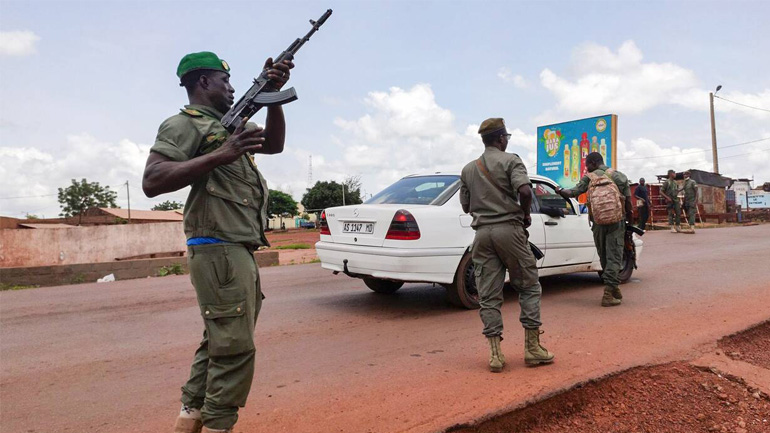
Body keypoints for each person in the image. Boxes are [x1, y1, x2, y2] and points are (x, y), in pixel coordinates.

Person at [142, 51, 294, 433]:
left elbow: (273, 145)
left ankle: (190, 419)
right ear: (204, 83)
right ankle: (218, 425)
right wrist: (221, 155)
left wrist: (271, 95)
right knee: (235, 349)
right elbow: (153, 180)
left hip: (233, 249)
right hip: (219, 248)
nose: (231, 87)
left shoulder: (227, 126)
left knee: (220, 340)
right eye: (224, 81)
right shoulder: (184, 125)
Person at [459, 118, 554, 373]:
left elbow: (465, 206)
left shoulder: (468, 169)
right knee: (529, 286)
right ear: (501, 138)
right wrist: (524, 215)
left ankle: (495, 355)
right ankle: (533, 349)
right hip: (509, 231)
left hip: (482, 235)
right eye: (506, 138)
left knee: (488, 294)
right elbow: (525, 192)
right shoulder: (511, 160)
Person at [556, 152, 633, 307]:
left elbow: (571, 193)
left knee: (604, 256)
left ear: (592, 163)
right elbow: (629, 205)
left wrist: (559, 189)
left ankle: (611, 289)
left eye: (587, 164)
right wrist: (629, 226)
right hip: (617, 222)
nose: (586, 168)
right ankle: (609, 293)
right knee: (614, 256)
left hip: (598, 223)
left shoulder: (589, 178)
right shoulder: (619, 176)